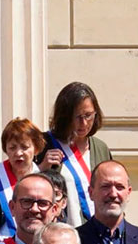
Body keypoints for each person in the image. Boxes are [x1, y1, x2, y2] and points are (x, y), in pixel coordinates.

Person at [39, 81, 113, 228]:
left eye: (88, 115)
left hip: (96, 234)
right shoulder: (44, 144)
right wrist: (41, 168)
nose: (84, 123)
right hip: (59, 234)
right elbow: (22, 185)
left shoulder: (100, 148)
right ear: (64, 116)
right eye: (77, 116)